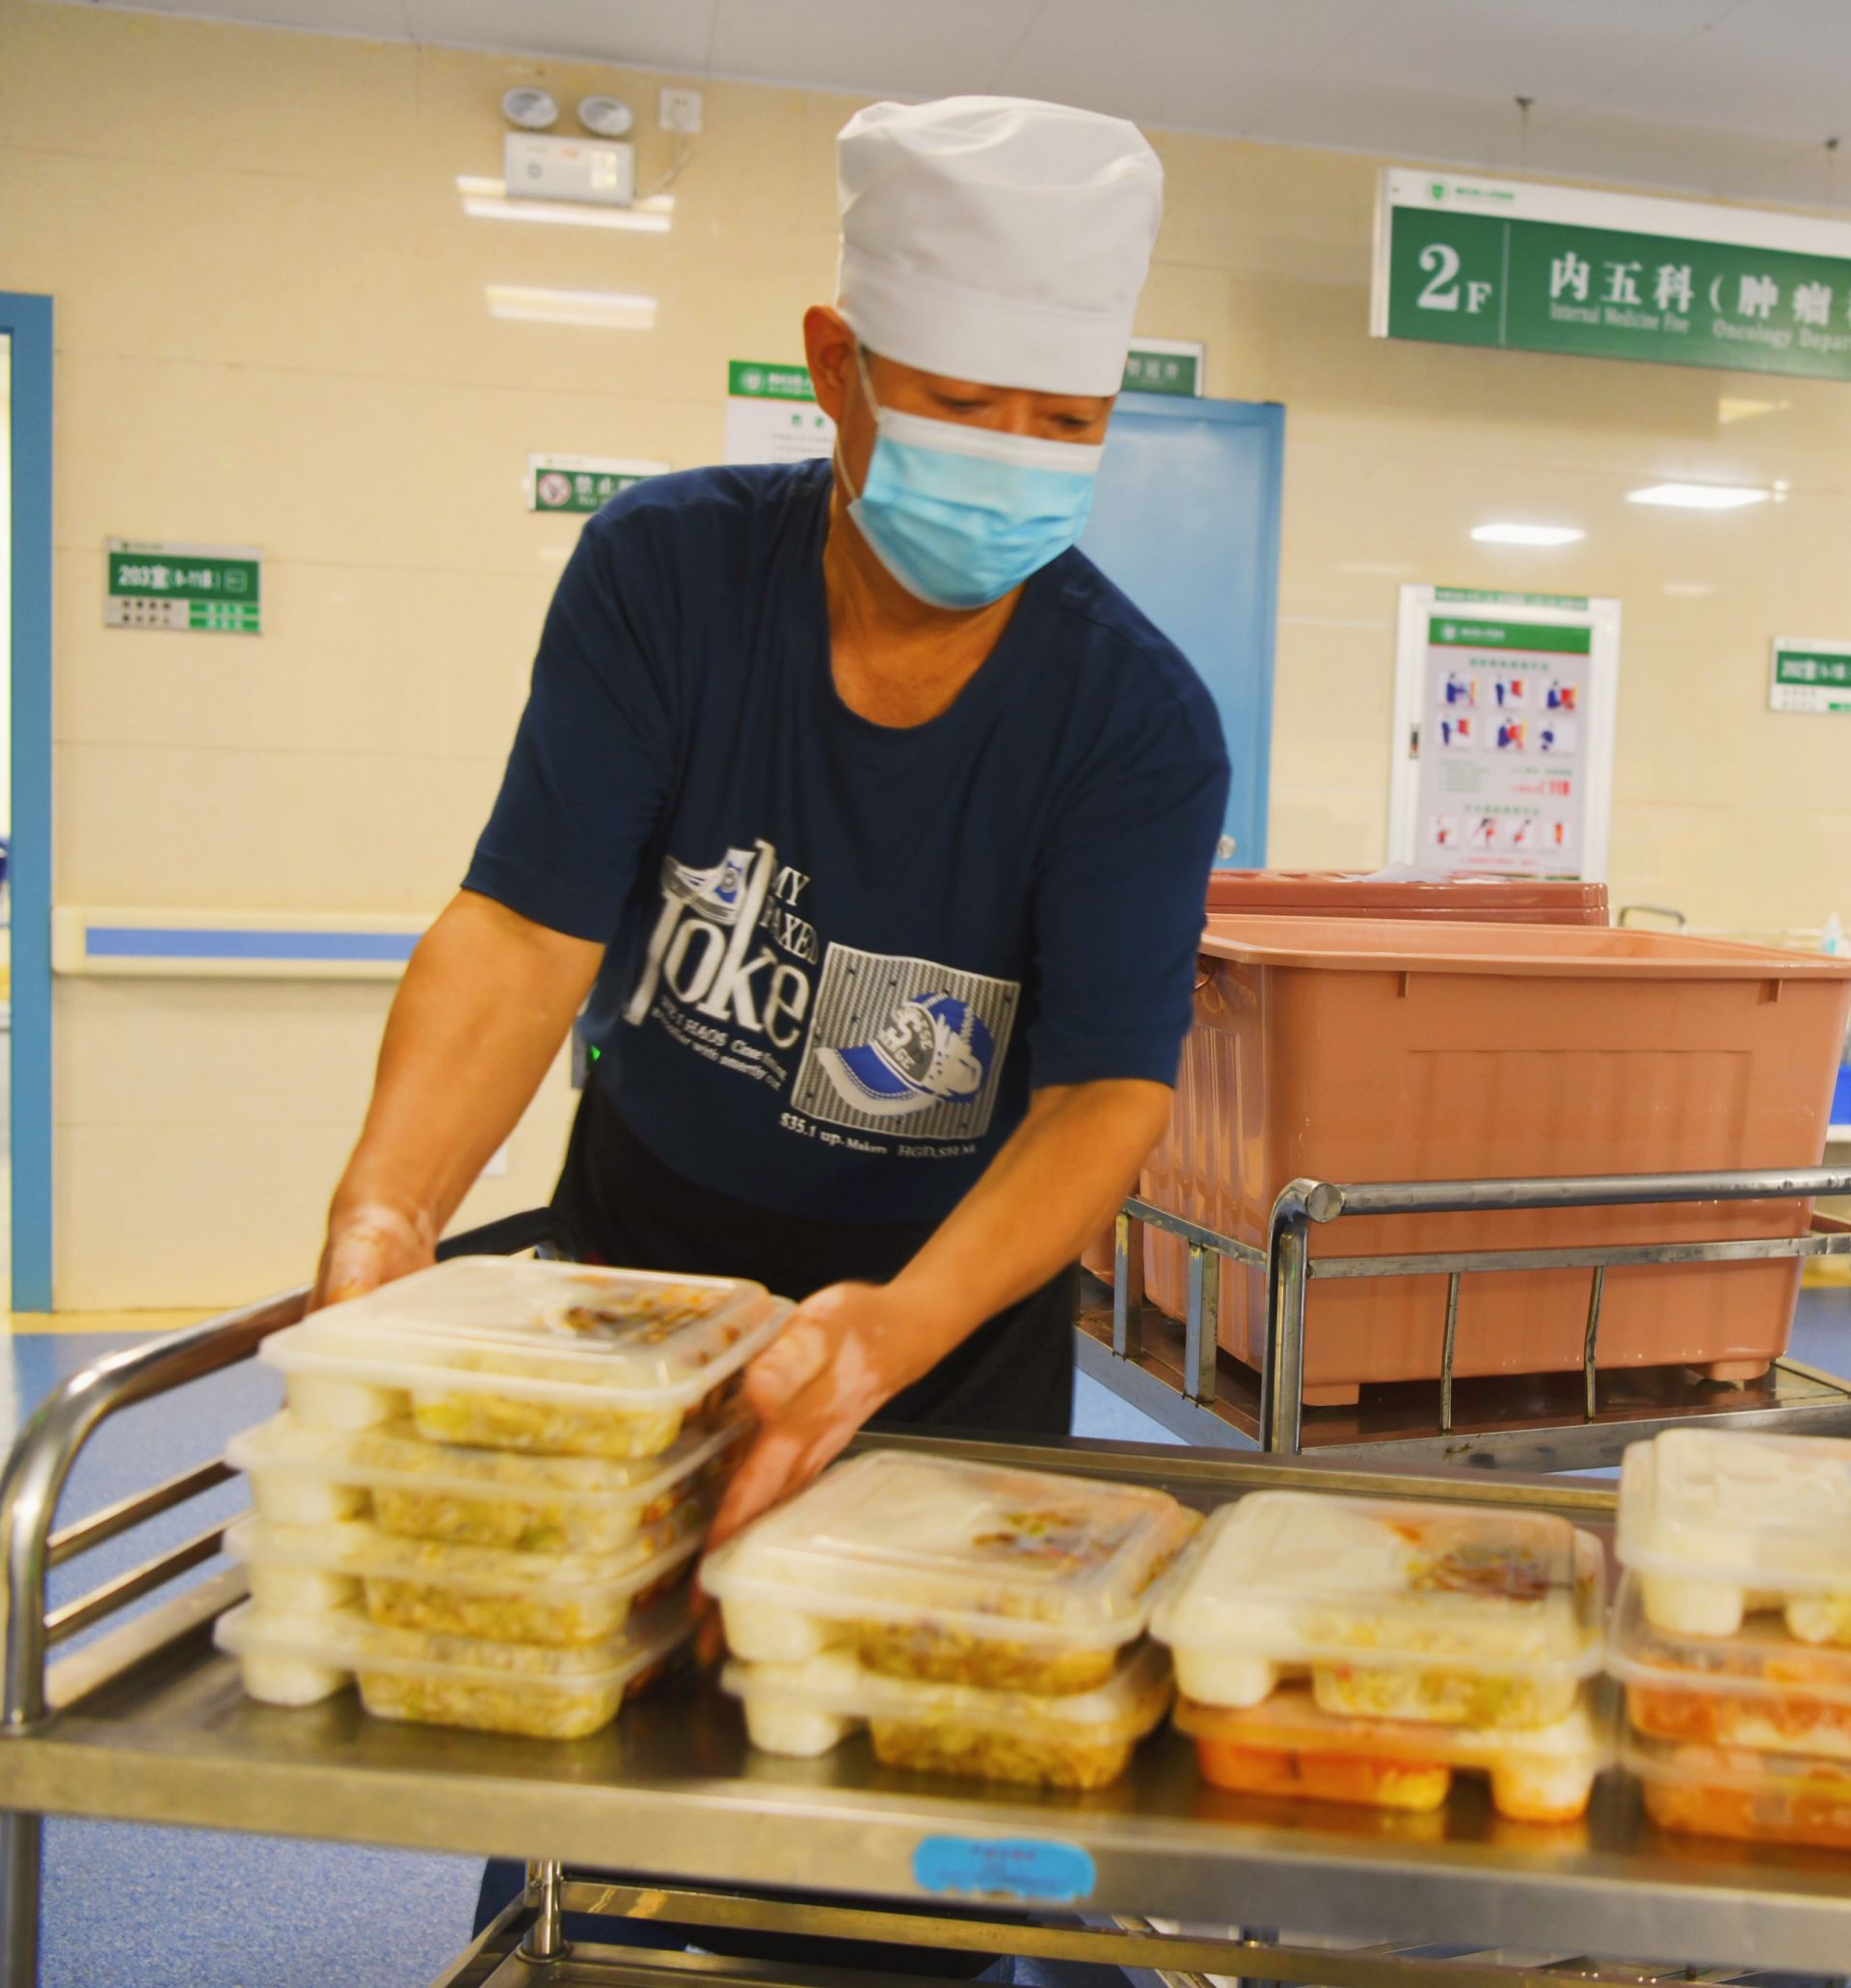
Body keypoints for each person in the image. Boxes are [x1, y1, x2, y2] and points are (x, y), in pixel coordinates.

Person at [312, 93, 1229, 1969]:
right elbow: (519, 931)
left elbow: (1099, 1100)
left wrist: (888, 1333)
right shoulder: (668, 580)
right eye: (966, 403)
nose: (1013, 459)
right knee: (594, 1793)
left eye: (1065, 425)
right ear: (837, 364)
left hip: (940, 1326)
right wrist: (389, 1207)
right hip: (636, 1286)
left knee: (909, 1822)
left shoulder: (1131, 720)